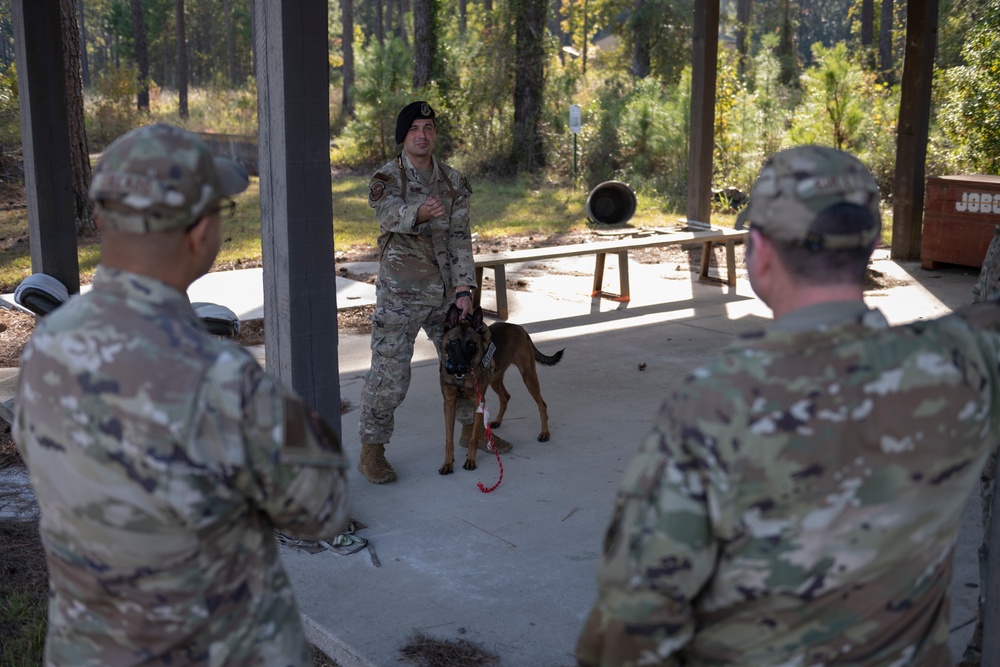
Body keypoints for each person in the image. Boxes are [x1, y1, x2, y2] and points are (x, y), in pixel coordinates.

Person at [576, 145, 1000, 666]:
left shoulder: (713, 405)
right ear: (868, 246)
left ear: (760, 251)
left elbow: (628, 631)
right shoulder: (961, 366)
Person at [13, 123, 350, 666]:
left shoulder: (48, 345)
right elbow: (325, 508)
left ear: (103, 222)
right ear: (198, 234)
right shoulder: (220, 379)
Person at [357, 100, 511, 484]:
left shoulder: (454, 181)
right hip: (400, 294)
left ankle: (469, 431)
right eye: (414, 129)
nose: (422, 135)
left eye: (428, 128)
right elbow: (388, 214)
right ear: (403, 137)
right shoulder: (388, 178)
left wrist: (464, 289)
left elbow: (460, 238)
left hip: (445, 294)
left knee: (471, 360)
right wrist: (420, 213)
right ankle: (371, 450)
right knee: (390, 373)